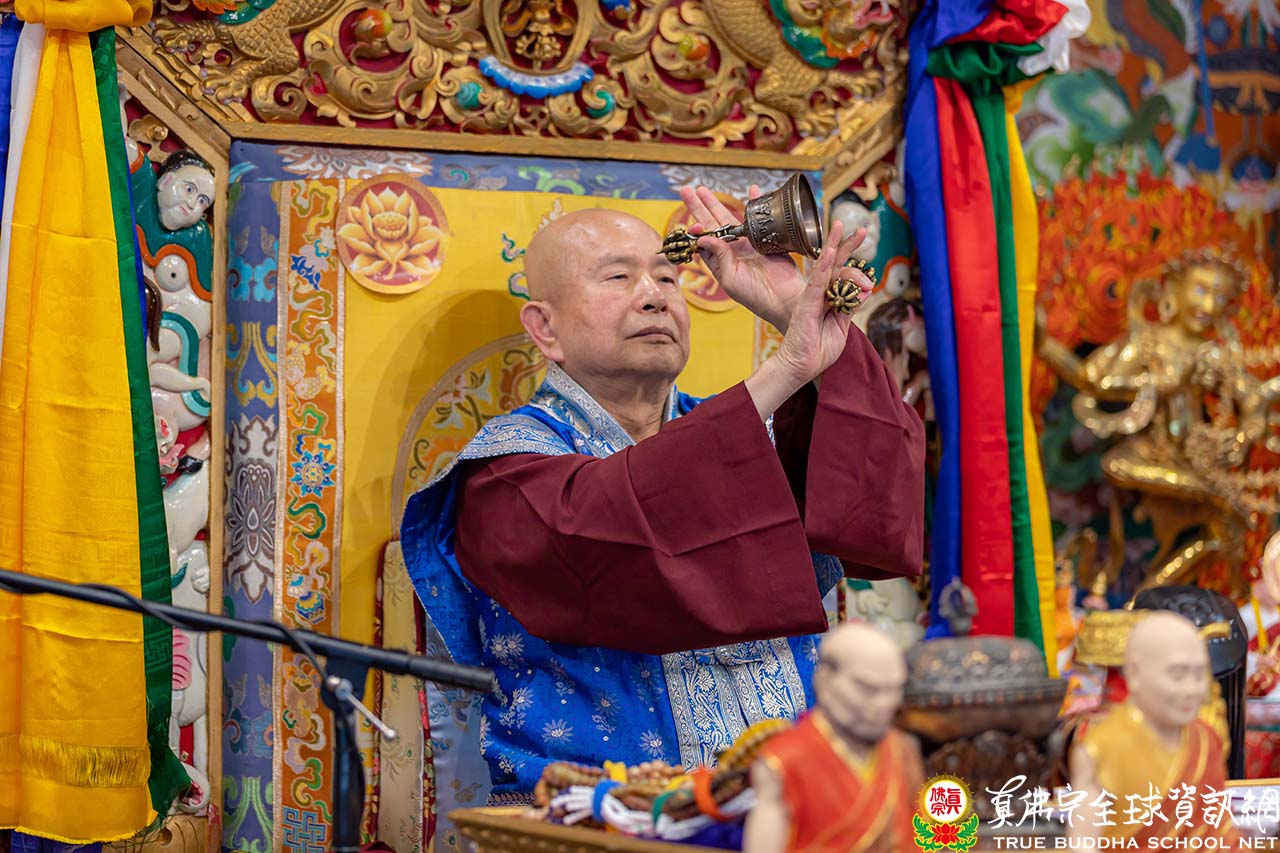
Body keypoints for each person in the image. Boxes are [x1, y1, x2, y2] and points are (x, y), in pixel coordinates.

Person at [400, 185, 925, 802]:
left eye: (668, 278)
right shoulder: (505, 473)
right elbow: (611, 533)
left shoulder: (754, 436)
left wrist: (800, 322)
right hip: (603, 820)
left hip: (795, 805)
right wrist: (781, 370)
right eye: (618, 277)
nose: (653, 295)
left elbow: (877, 503)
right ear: (545, 328)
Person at [743, 622, 924, 853]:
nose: (884, 704)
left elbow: (922, 835)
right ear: (825, 681)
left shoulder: (903, 749)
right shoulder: (783, 763)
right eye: (868, 689)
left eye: (894, 689)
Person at [1069, 611, 1244, 846]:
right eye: (1177, 675)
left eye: (1199, 675)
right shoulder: (1103, 748)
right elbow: (1083, 844)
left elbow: (1221, 834)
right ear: (1135, 673)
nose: (1191, 689)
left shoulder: (1204, 739)